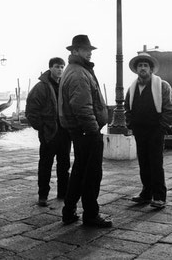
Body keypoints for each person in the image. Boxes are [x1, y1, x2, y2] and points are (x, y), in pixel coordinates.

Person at [58, 34, 111, 228]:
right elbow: (82, 107)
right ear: (75, 51)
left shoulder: (75, 70)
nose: (89, 53)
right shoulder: (79, 73)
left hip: (78, 131)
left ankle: (69, 210)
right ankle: (90, 214)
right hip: (86, 131)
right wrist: (94, 131)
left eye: (90, 50)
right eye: (85, 50)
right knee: (91, 175)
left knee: (79, 172)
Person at [125, 52, 172, 208]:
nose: (142, 68)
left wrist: (162, 127)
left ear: (151, 69)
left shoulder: (162, 85)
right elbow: (127, 108)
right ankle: (146, 193)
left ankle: (159, 196)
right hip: (140, 131)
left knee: (156, 163)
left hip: (156, 130)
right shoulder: (132, 88)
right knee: (143, 162)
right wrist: (131, 124)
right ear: (136, 69)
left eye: (145, 66)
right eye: (140, 66)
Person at [26, 57, 71, 207]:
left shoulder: (65, 85)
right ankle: (43, 195)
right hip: (49, 133)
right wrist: (42, 127)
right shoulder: (41, 87)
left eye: (62, 67)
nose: (60, 70)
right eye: (57, 67)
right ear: (50, 68)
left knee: (64, 165)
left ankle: (63, 193)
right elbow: (31, 111)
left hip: (64, 132)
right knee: (45, 165)